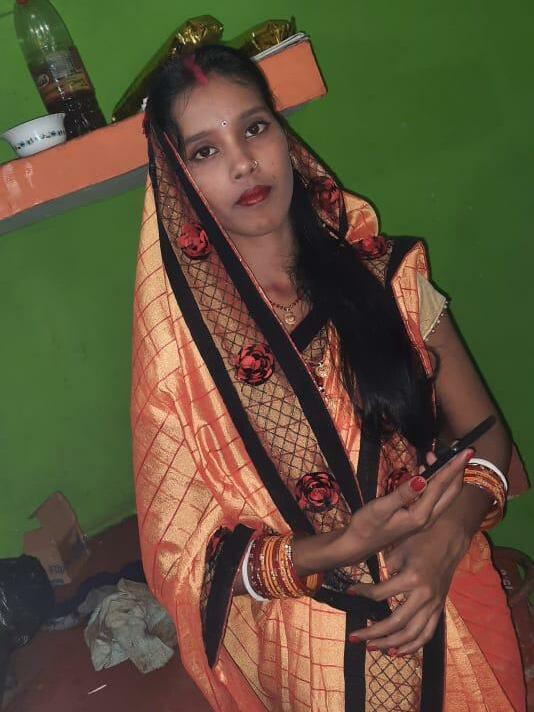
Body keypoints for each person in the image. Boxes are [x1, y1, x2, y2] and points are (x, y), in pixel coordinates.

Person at [132, 45, 527, 711]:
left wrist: (445, 540)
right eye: (205, 151)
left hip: (453, 595)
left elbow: (490, 439)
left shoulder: (390, 278)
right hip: (317, 656)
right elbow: (189, 564)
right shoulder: (183, 361)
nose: (242, 163)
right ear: (178, 181)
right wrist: (336, 547)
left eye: (255, 128)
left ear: (284, 138)